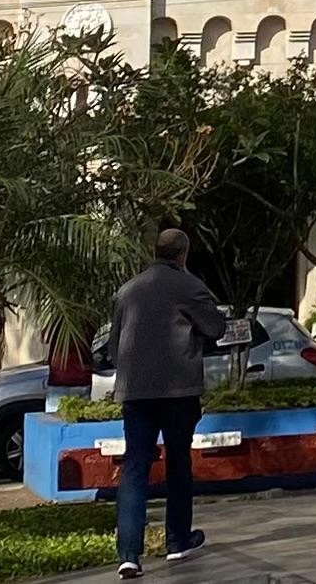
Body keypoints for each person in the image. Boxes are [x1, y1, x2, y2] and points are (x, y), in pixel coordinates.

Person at [110, 224, 232, 576]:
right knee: (178, 462)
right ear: (183, 254)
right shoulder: (189, 286)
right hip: (179, 391)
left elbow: (115, 344)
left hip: (136, 393)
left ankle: (128, 555)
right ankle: (177, 541)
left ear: (155, 252)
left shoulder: (128, 290)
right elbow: (215, 328)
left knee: (135, 467)